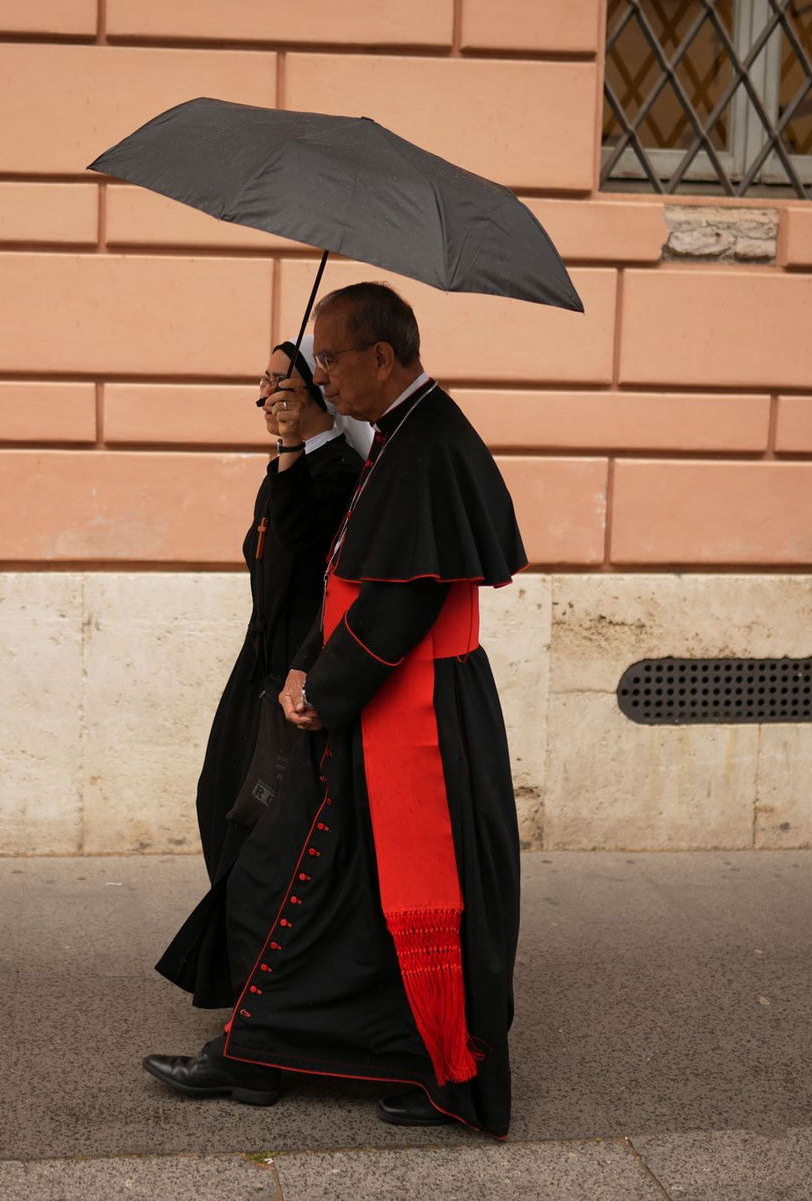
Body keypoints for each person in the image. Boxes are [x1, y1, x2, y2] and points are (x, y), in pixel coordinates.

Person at [143, 283, 527, 1139]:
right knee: (338, 885)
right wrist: (311, 662)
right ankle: (351, 1056)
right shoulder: (404, 435)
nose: (323, 374)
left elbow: (401, 604)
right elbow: (349, 578)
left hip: (416, 710)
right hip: (390, 694)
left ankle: (378, 1064)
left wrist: (323, 688)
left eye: (332, 359)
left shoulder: (428, 446)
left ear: (381, 357)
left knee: (325, 872)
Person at [153, 337, 364, 1009]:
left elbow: (306, 546)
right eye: (263, 385)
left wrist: (294, 446)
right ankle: (249, 979)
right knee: (223, 802)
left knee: (264, 834)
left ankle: (262, 991)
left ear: (317, 393)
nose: (268, 398)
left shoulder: (337, 470)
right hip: (259, 666)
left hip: (297, 675)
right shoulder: (291, 464)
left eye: (282, 384)